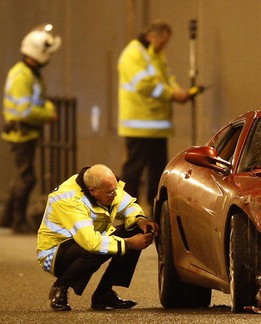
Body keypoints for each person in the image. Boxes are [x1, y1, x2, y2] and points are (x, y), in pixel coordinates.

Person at [36, 164, 159, 311]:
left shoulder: (105, 186)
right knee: (96, 249)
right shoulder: (70, 200)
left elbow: (127, 205)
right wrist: (128, 244)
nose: (115, 194)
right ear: (92, 191)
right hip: (55, 253)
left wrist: (141, 220)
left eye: (115, 189)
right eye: (110, 192)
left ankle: (104, 293)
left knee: (133, 229)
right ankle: (59, 288)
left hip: (88, 239)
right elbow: (91, 243)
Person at [117, 20, 204, 214]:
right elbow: (145, 85)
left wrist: (178, 91)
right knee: (134, 170)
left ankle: (155, 210)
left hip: (156, 125)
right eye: (162, 41)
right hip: (139, 124)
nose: (164, 46)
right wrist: (172, 94)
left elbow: (166, 79)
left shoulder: (155, 54)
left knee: (157, 170)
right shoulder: (133, 55)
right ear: (152, 36)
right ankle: (126, 212)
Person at [0, 24, 61, 233]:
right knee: (26, 177)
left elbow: (39, 102)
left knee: (21, 175)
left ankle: (6, 218)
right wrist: (48, 114)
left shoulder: (28, 74)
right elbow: (26, 110)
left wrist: (46, 109)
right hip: (21, 132)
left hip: (25, 132)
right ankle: (17, 221)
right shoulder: (23, 75)